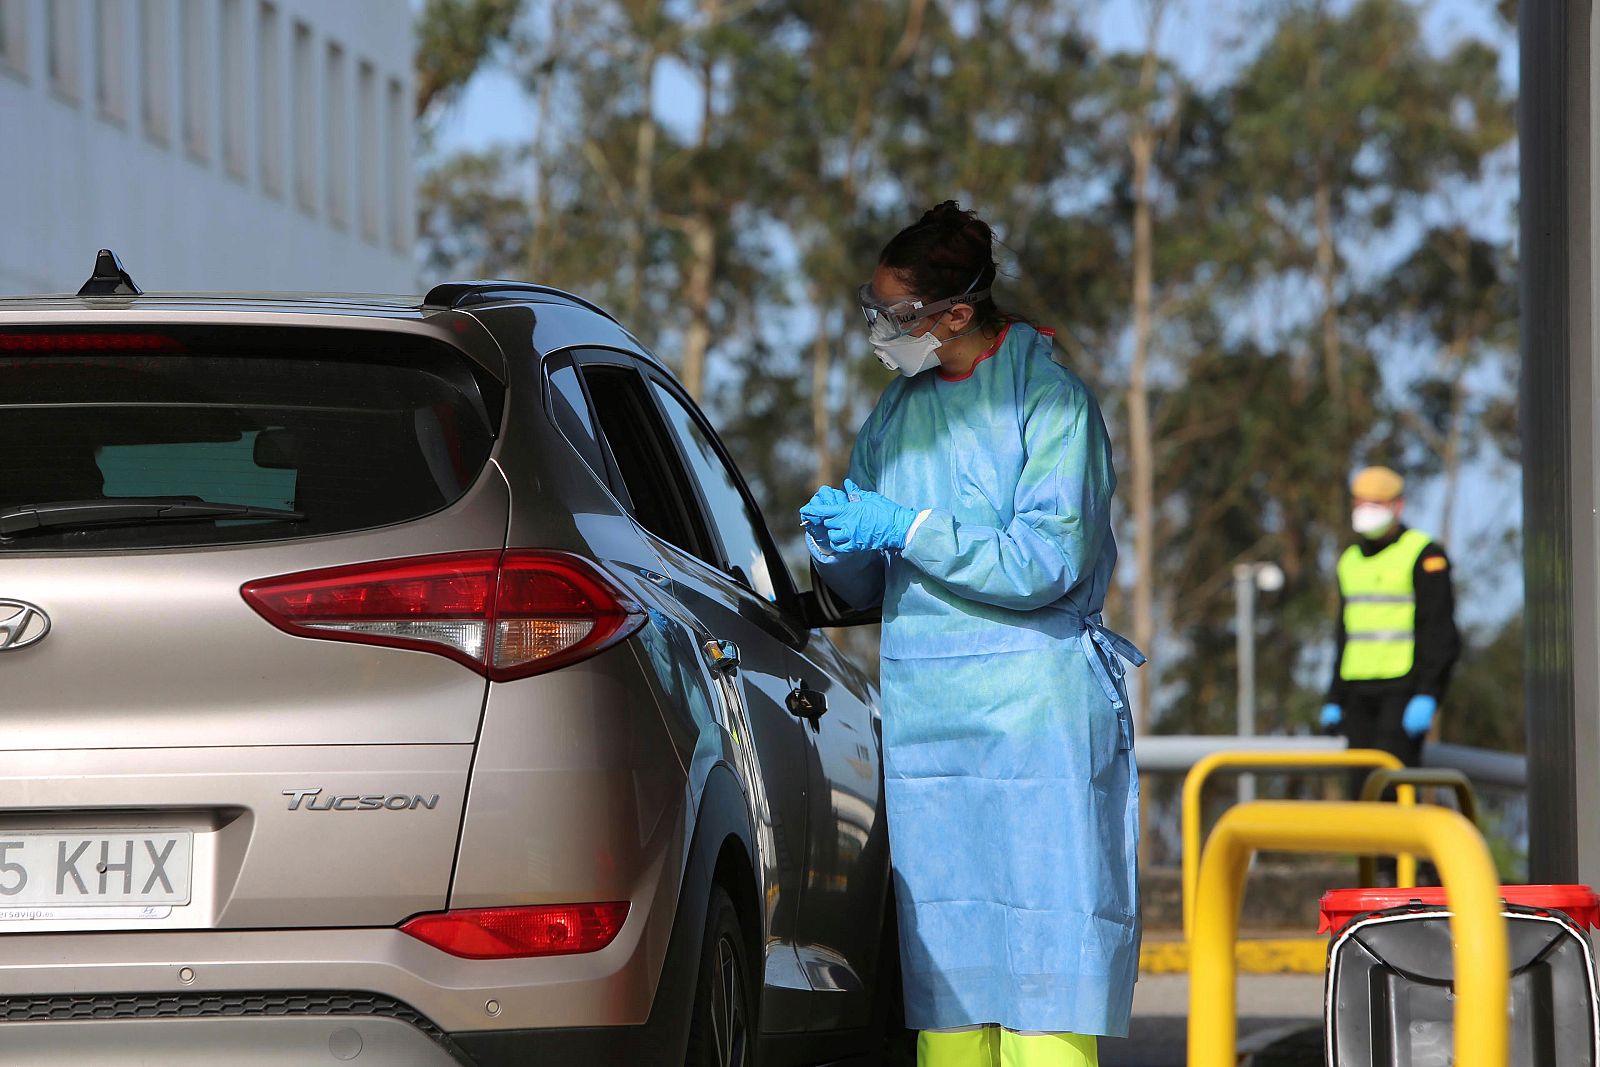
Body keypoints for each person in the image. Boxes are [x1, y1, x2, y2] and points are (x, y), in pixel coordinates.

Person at [799, 201, 1143, 1067]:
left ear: (956, 313)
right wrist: (837, 548)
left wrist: (911, 527)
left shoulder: (1053, 405)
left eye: (897, 314)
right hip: (932, 718)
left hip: (1036, 718)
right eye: (870, 309)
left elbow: (1043, 562)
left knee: (1047, 954)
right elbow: (867, 586)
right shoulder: (896, 412)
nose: (880, 330)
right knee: (949, 961)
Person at [1321, 465, 1461, 777]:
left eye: (1375, 504)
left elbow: (1439, 632)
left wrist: (1428, 693)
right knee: (1361, 793)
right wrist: (1334, 697)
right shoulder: (1350, 559)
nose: (1365, 511)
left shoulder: (1424, 555)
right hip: (1358, 694)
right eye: (1360, 503)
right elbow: (1344, 634)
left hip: (1402, 692)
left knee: (1391, 788)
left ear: (1397, 506)